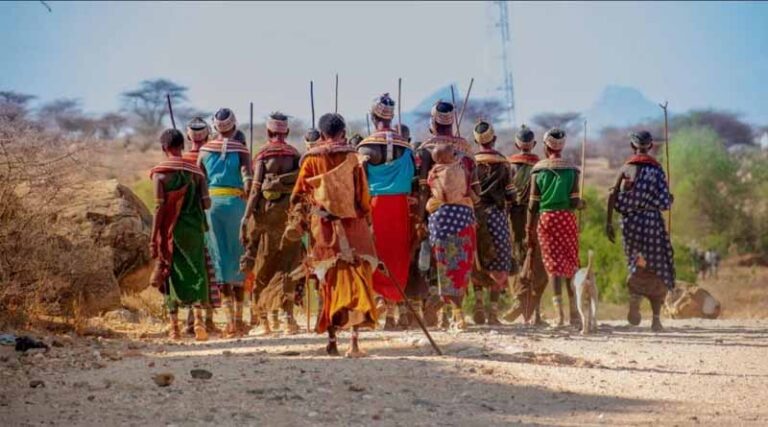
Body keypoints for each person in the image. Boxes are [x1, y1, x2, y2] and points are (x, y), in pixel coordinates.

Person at [287, 112, 378, 357]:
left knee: (328, 282)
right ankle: (354, 343)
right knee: (357, 281)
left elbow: (298, 194)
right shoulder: (353, 157)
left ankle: (332, 341)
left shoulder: (310, 160)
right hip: (353, 226)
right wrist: (365, 215)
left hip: (323, 227)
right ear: (342, 132)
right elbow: (363, 196)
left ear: (322, 133)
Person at [356, 94, 416, 330]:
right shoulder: (406, 147)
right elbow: (414, 179)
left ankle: (379, 302)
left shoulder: (365, 147)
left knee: (374, 254)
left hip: (374, 206)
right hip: (400, 206)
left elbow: (359, 183)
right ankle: (391, 311)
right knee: (397, 256)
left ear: (373, 117)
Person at [240, 112, 302, 335]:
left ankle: (264, 322)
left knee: (263, 265)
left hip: (265, 218)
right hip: (288, 217)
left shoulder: (264, 155)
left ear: (268, 132)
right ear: (287, 131)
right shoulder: (295, 155)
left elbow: (255, 189)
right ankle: (288, 320)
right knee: (287, 266)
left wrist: (246, 216)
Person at [417, 102, 478, 330]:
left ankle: (443, 311)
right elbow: (476, 189)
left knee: (439, 261)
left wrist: (420, 218)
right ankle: (456, 312)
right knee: (460, 261)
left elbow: (422, 189)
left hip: (438, 215)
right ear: (452, 121)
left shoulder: (426, 150)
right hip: (464, 214)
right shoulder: (466, 151)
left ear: (433, 122)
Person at [606, 131, 675, 332]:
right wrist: (669, 199)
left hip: (631, 224)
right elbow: (664, 202)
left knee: (636, 263)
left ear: (632, 146)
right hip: (652, 223)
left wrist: (608, 223)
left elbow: (612, 195)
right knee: (657, 266)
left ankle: (635, 300)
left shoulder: (626, 168)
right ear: (650, 146)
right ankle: (656, 319)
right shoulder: (657, 170)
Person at [149, 129, 211, 341]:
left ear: (163, 148)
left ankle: (174, 327)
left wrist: (153, 238)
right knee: (197, 270)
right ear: (182, 146)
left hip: (170, 231)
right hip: (194, 230)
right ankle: (199, 321)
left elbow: (159, 208)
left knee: (170, 272)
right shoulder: (196, 172)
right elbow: (206, 204)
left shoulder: (160, 173)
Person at [198, 108, 253, 338]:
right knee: (237, 257)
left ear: (215, 127)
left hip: (211, 207)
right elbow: (248, 181)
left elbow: (199, 181)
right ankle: (239, 321)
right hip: (236, 205)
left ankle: (229, 323)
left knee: (219, 259)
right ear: (234, 124)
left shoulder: (204, 150)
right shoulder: (241, 150)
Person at [527, 128, 584, 328]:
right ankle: (574, 314)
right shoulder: (572, 170)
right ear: (562, 146)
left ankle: (559, 315)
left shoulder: (538, 170)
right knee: (571, 261)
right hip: (567, 219)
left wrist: (528, 228)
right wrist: (581, 204)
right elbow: (575, 202)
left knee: (553, 265)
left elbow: (533, 205)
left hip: (547, 220)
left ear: (545, 146)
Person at [470, 120, 515, 325]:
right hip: (497, 216)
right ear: (494, 139)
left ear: (476, 141)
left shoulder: (471, 162)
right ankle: (493, 313)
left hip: (475, 216)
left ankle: (479, 303)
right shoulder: (504, 163)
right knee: (500, 260)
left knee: (477, 259)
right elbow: (511, 194)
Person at [180, 117, 221, 336]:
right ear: (207, 136)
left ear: (189, 137)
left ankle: (190, 320)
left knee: (192, 265)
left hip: (187, 219)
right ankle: (207, 320)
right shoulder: (212, 156)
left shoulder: (182, 160)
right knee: (210, 265)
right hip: (209, 214)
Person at [505, 125, 549, 325]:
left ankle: (520, 302)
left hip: (515, 218)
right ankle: (534, 312)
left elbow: (507, 196)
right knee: (536, 261)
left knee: (518, 257)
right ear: (534, 144)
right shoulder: (541, 167)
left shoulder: (509, 166)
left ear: (516, 144)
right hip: (537, 217)